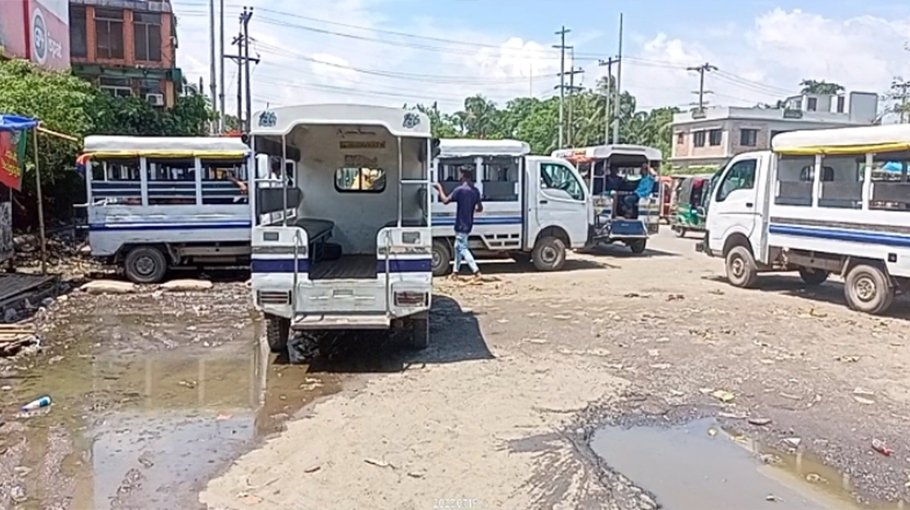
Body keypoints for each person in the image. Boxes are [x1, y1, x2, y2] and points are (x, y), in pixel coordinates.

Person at [435, 168, 483, 278]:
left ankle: (476, 271)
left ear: (463, 176)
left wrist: (439, 189)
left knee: (462, 248)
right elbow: (480, 208)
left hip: (460, 224)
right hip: (469, 223)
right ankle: (455, 271)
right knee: (457, 246)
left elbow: (445, 201)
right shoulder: (475, 191)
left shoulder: (460, 190)